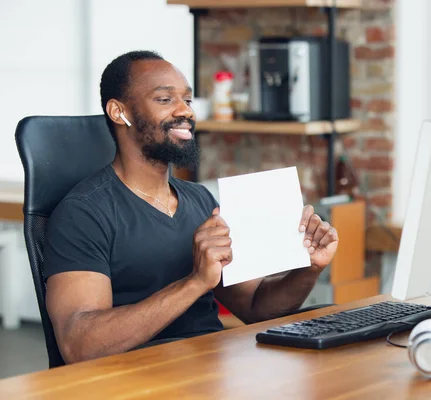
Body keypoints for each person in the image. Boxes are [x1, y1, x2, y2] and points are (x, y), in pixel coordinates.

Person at [43, 50, 339, 364]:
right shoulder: (84, 213)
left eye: (187, 99)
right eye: (164, 99)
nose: (185, 111)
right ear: (119, 112)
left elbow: (255, 307)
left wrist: (309, 268)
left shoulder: (200, 201)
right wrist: (196, 282)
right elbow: (79, 345)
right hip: (136, 382)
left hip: (211, 370)